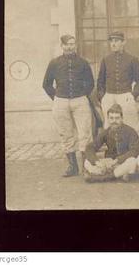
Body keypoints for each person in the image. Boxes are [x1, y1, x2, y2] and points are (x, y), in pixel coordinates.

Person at [42, 34, 94, 177]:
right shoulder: (54, 63)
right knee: (65, 134)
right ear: (62, 46)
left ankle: (86, 166)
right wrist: (57, 97)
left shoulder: (83, 63)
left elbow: (90, 83)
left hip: (80, 101)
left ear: (75, 45)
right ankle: (73, 167)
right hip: (61, 102)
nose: (70, 47)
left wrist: (82, 94)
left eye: (72, 44)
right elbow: (46, 84)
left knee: (85, 133)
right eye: (67, 44)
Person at [97, 31, 139, 134]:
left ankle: (134, 146)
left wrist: (133, 95)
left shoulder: (132, 59)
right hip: (109, 96)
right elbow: (100, 81)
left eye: (116, 41)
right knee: (109, 125)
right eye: (111, 41)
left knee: (131, 123)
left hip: (126, 96)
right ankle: (111, 147)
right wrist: (103, 96)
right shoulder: (106, 59)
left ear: (123, 42)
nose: (113, 44)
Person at [82, 104, 139, 183]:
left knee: (133, 161)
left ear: (122, 118)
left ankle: (100, 177)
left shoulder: (130, 131)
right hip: (110, 164)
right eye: (111, 118)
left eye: (117, 118)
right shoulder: (106, 132)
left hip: (123, 162)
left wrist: (117, 160)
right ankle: (116, 174)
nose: (114, 121)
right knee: (87, 161)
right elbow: (90, 147)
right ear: (108, 119)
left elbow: (135, 151)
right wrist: (97, 162)